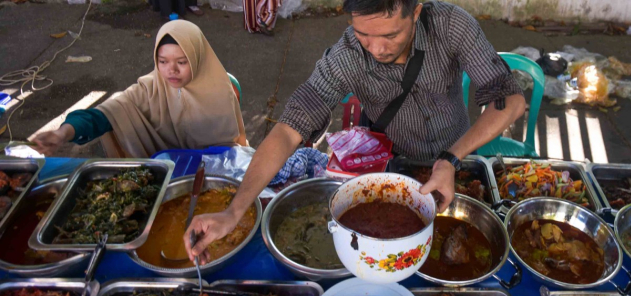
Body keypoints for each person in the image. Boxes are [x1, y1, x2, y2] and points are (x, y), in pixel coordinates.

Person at [183, 0, 526, 264]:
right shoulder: (347, 56)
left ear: (416, 12)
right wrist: (233, 211)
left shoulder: (451, 25)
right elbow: (288, 131)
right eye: (364, 35)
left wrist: (450, 159)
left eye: (390, 35)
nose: (376, 48)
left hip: (459, 158)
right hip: (394, 167)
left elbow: (509, 101)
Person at [32, 20, 246, 158]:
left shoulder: (221, 91)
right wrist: (63, 132)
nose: (171, 70)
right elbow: (103, 116)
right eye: (162, 61)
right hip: (169, 177)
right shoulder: (149, 89)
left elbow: (229, 150)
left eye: (182, 62)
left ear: (198, 58)